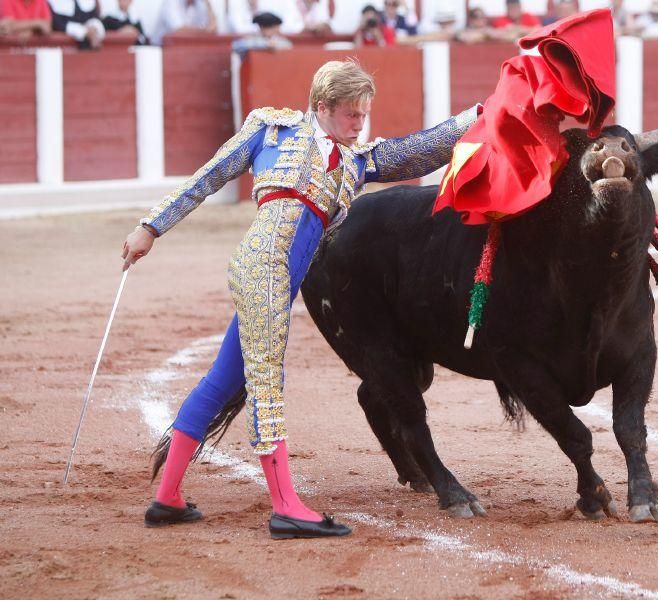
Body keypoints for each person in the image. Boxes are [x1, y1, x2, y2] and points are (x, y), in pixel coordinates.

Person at [121, 59, 481, 539]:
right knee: (267, 383)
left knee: (222, 382)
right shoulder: (271, 131)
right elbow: (207, 177)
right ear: (322, 107)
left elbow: (418, 151)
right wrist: (150, 227)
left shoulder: (358, 159)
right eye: (351, 114)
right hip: (263, 271)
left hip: (281, 280)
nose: (359, 124)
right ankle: (286, 506)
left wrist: (477, 114)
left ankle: (166, 497)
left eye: (364, 114)